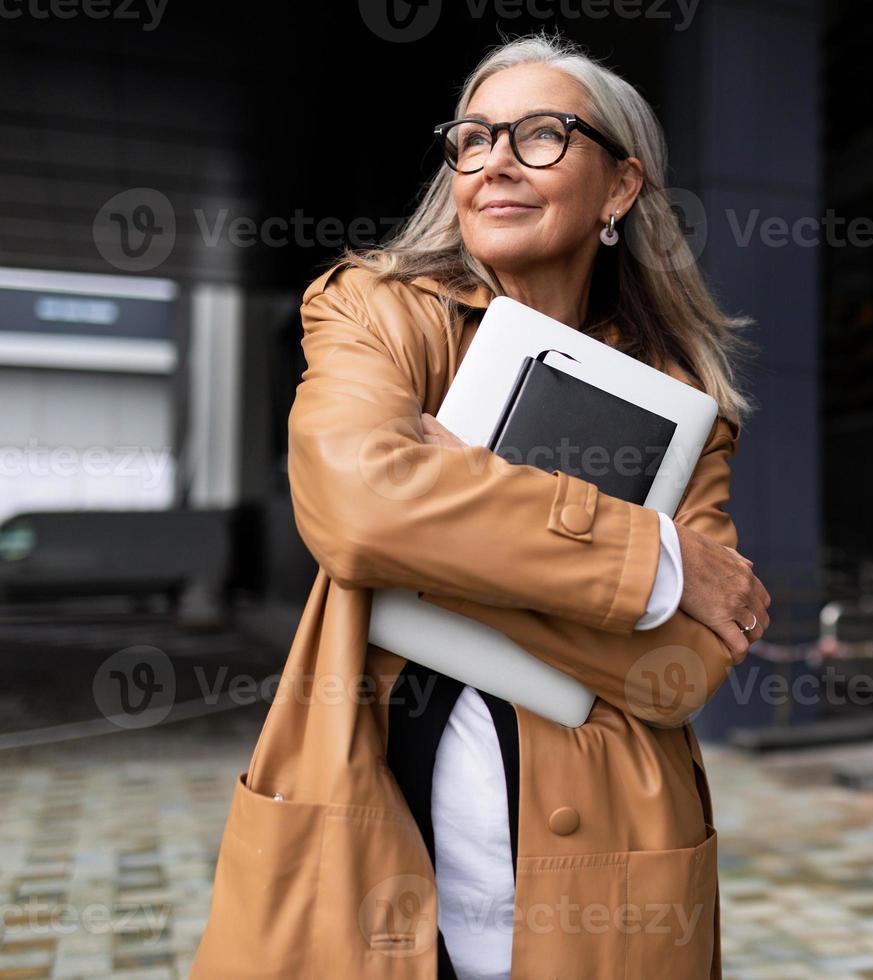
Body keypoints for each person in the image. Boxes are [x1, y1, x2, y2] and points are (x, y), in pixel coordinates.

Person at [192, 32, 769, 980]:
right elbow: (358, 507)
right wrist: (653, 565)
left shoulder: (681, 399)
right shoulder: (375, 309)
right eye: (472, 138)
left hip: (609, 892)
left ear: (621, 189)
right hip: (361, 875)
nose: (495, 159)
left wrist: (444, 531)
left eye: (541, 134)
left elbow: (682, 669)